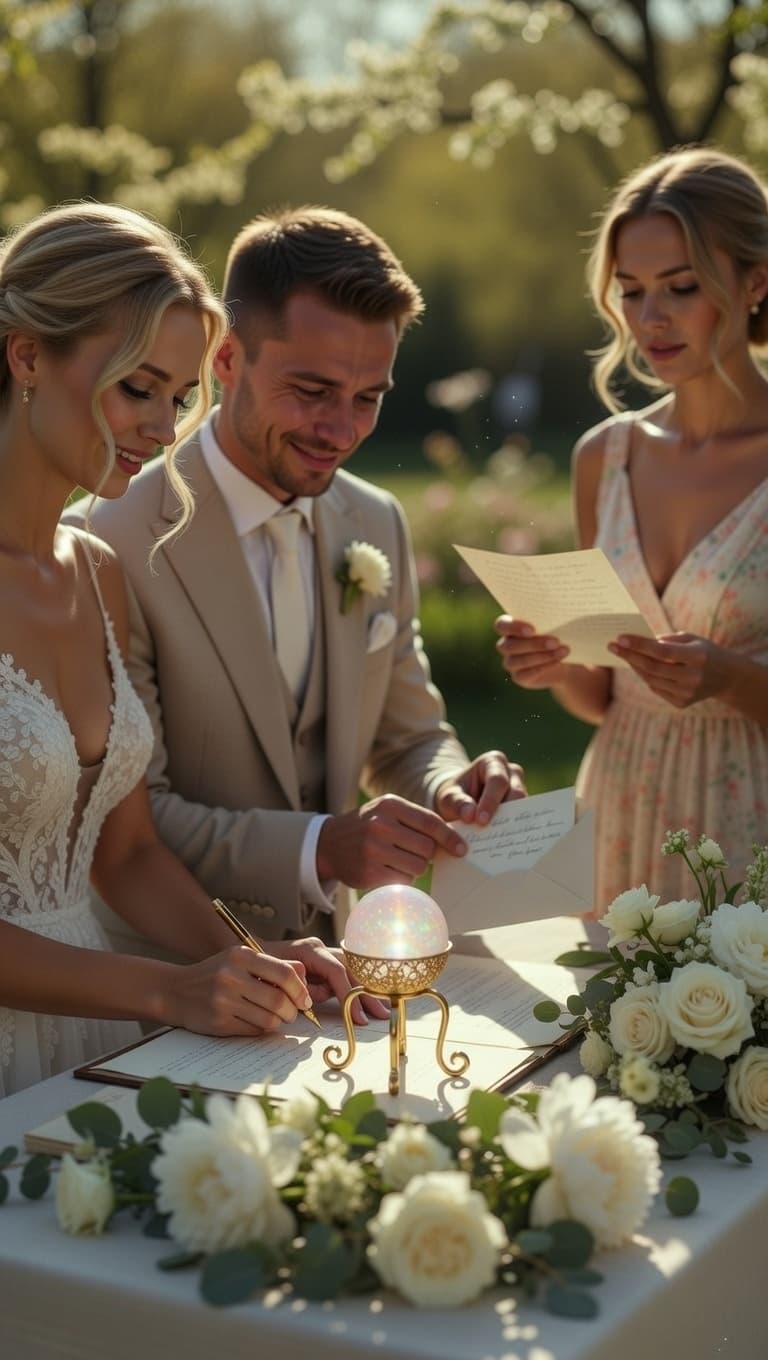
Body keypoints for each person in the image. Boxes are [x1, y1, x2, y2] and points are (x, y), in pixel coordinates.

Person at [0, 202, 379, 1099]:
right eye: (139, 388)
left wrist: (253, 963)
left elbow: (124, 855)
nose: (164, 430)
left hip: (88, 1038)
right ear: (26, 356)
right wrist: (169, 988)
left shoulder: (96, 570)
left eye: (178, 398)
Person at [77, 206, 524, 950]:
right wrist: (323, 847)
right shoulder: (111, 538)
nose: (340, 429)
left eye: (368, 399)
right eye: (311, 391)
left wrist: (451, 784)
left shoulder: (376, 520)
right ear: (225, 361)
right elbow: (129, 819)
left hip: (338, 975)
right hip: (164, 977)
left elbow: (409, 736)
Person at [496, 147, 768, 912]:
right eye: (633, 291)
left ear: (756, 281)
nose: (651, 319)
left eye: (682, 287)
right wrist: (555, 665)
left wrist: (732, 680)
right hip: (619, 817)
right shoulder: (604, 457)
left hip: (753, 832)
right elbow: (605, 697)